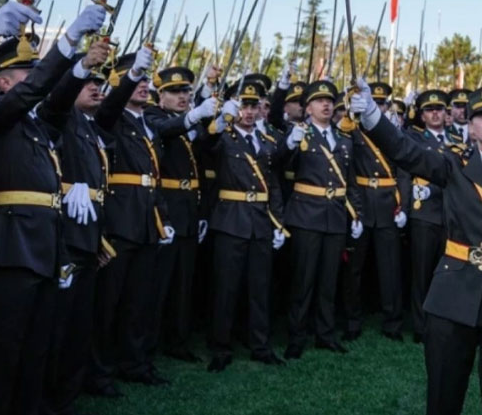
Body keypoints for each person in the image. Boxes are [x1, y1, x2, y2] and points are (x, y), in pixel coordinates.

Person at [350, 80, 482, 415]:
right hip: (452, 295)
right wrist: (372, 117)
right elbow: (406, 151)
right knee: (443, 395)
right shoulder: (451, 164)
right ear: (471, 126)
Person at [0, 1, 105, 415]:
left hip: (44, 246)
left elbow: (54, 100)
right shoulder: (1, 112)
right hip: (12, 247)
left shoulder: (35, 125)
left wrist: (76, 62)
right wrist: (68, 40)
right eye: (27, 73)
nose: (36, 80)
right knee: (7, 347)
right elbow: (36, 89)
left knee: (37, 345)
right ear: (6, 83)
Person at [87, 46, 174, 393]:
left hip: (147, 220)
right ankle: (100, 372)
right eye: (132, 80)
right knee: (109, 303)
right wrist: (131, 74)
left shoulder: (148, 122)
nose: (142, 86)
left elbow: (154, 176)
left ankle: (135, 363)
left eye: (143, 80)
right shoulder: (109, 116)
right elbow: (108, 107)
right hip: (120, 221)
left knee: (140, 301)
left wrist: (162, 217)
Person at [38, 41, 115, 415]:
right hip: (63, 235)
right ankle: (50, 396)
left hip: (87, 234)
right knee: (58, 323)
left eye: (100, 83)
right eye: (88, 83)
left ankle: (69, 393)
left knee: (79, 323)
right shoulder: (58, 117)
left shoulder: (89, 126)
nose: (95, 87)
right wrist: (79, 65)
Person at [205, 78, 286, 372]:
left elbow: (273, 184)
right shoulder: (223, 137)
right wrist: (219, 116)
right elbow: (205, 143)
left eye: (253, 106)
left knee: (259, 288)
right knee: (226, 288)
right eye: (243, 106)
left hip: (260, 221)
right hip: (231, 219)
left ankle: (260, 346)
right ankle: (221, 347)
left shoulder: (266, 143)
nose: (249, 112)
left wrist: (278, 221)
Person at [281, 79, 362, 360]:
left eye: (330, 101)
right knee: (303, 281)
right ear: (308, 108)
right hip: (306, 214)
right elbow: (278, 165)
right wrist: (289, 144)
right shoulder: (299, 135)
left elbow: (350, 181)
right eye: (319, 101)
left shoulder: (343, 138)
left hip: (336, 216)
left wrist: (356, 213)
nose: (326, 105)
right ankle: (296, 336)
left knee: (329, 281)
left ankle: (325, 334)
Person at [143, 67, 217, 363]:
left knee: (183, 283)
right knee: (159, 283)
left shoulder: (189, 122)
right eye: (175, 92)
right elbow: (168, 130)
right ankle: (148, 343)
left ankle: (177, 339)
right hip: (166, 208)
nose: (183, 96)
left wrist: (217, 123)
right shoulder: (153, 116)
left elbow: (204, 149)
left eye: (186, 91)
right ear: (160, 95)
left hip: (188, 208)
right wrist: (195, 116)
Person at [342, 81, 409, 342]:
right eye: (375, 102)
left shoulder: (390, 132)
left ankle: (392, 322)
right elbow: (346, 171)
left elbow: (403, 170)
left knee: (390, 268)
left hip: (387, 204)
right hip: (361, 203)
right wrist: (353, 208)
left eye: (382, 104)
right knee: (354, 269)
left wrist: (402, 205)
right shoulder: (352, 130)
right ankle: (352, 320)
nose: (378, 107)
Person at [404, 89, 453, 343]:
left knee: (446, 274)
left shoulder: (456, 138)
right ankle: (421, 326)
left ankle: (442, 323)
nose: (435, 113)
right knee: (422, 273)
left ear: (447, 114)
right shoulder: (415, 137)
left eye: (440, 109)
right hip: (425, 212)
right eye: (430, 110)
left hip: (451, 214)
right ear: (422, 115)